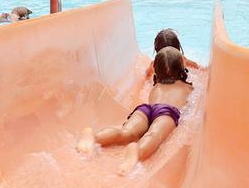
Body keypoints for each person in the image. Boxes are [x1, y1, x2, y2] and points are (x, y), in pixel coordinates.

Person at [76, 46, 193, 175]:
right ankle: (136, 152)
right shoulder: (187, 87)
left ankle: (94, 137)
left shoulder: (156, 86)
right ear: (181, 67)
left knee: (126, 132)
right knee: (154, 135)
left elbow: (148, 75)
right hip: (167, 112)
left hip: (146, 109)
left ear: (157, 69)